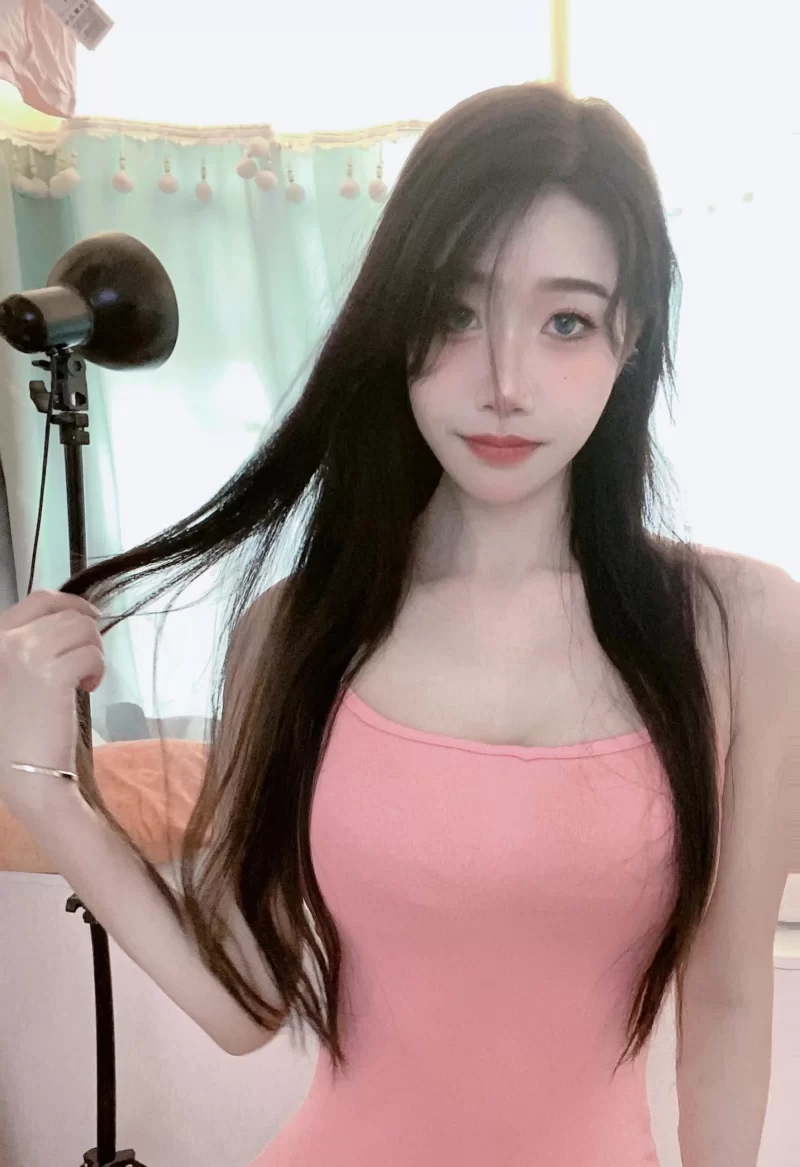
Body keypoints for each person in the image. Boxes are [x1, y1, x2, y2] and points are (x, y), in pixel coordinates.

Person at [0, 82, 795, 1167]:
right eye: (455, 312)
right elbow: (243, 1003)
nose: (505, 381)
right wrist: (40, 786)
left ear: (632, 335)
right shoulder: (294, 631)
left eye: (565, 320)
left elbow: (728, 1001)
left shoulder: (740, 627)